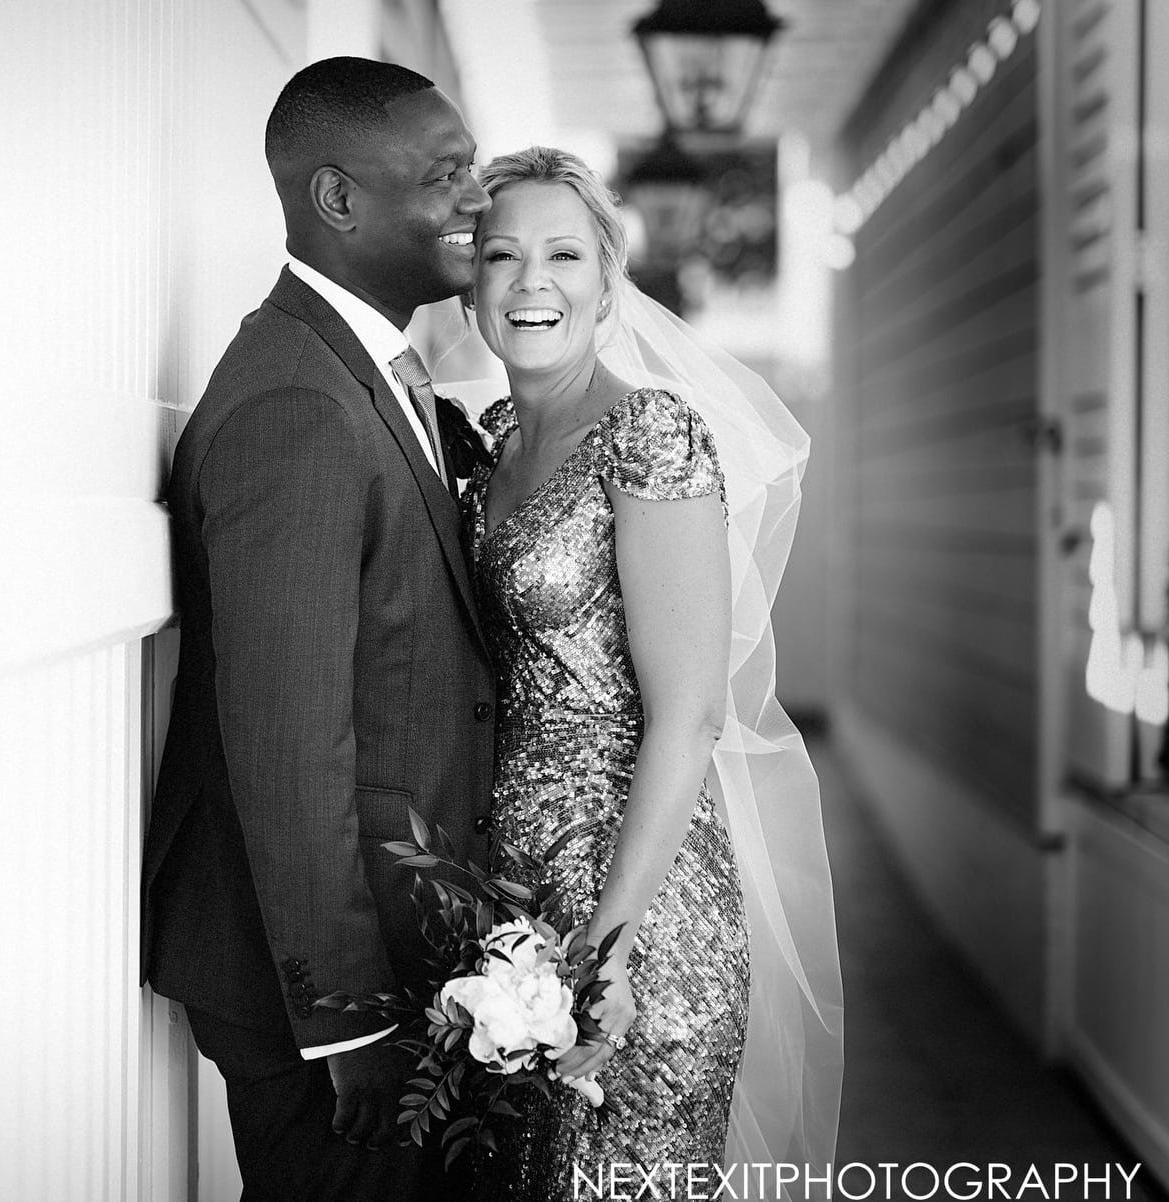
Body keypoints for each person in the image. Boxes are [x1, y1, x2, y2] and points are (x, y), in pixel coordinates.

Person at [140, 58, 499, 1201]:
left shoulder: (368, 371)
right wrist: (347, 1021)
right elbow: (289, 741)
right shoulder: (299, 402)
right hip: (317, 980)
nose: (477, 201)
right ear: (340, 200)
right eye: (448, 177)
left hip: (395, 945)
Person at [459, 146, 844, 1197]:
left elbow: (690, 715)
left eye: (563, 252)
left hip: (639, 912)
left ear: (608, 279)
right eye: (502, 254)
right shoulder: (488, 443)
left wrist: (609, 949)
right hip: (508, 901)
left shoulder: (652, 433)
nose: (532, 280)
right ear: (471, 281)